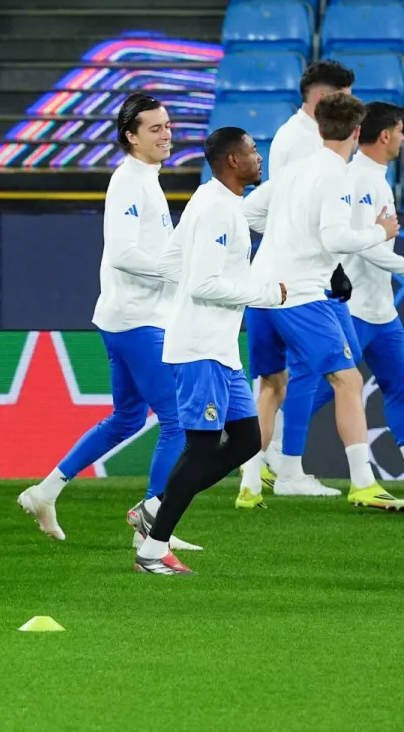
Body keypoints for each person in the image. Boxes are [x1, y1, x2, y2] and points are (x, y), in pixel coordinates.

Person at [17, 94, 196, 549]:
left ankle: (45, 491)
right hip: (137, 320)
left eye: (168, 125)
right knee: (176, 421)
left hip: (126, 317)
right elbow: (123, 254)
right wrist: (178, 272)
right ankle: (156, 528)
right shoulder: (129, 182)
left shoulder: (145, 180)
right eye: (154, 128)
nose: (166, 133)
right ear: (130, 137)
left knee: (127, 418)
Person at [247, 92, 404, 511]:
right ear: (357, 133)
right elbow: (336, 238)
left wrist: (286, 236)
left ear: (319, 127)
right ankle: (363, 483)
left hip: (261, 290)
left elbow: (248, 213)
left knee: (270, 384)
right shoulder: (339, 175)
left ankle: (248, 485)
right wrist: (381, 231)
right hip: (301, 295)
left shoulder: (292, 171)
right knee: (349, 380)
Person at [133, 128, 286, 575]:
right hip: (201, 348)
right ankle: (153, 548)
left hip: (219, 348)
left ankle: (155, 507)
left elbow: (170, 264)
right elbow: (202, 283)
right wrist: (267, 293)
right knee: (201, 447)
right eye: (254, 152)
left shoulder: (210, 200)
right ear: (233, 162)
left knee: (246, 440)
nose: (260, 158)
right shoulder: (217, 210)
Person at [301, 103, 404, 491]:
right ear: (387, 135)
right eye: (401, 131)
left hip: (381, 310)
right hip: (353, 308)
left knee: (400, 386)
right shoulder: (357, 179)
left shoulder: (375, 177)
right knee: (325, 389)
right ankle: (266, 453)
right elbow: (360, 245)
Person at [239, 59, 357, 504]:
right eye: (346, 96)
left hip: (305, 269)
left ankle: (269, 458)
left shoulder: (311, 134)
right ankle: (286, 465)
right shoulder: (299, 140)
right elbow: (285, 205)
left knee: (329, 365)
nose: (352, 105)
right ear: (326, 98)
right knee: (316, 370)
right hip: (299, 277)